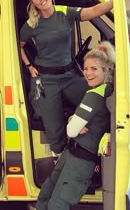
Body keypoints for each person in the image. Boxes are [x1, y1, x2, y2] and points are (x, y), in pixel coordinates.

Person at [19, 0, 113, 155]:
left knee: (98, 98)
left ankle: (84, 134)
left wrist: (116, 2)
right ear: (32, 3)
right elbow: (20, 45)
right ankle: (59, 157)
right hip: (46, 81)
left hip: (70, 76)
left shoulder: (65, 13)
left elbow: (92, 12)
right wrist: (29, 66)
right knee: (54, 129)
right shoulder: (32, 24)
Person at [30, 41, 115, 210]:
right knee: (46, 193)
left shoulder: (94, 96)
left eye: (94, 69)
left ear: (105, 71)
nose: (88, 73)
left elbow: (71, 130)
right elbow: (73, 127)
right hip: (71, 152)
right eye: (86, 69)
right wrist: (73, 120)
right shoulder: (103, 89)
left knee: (57, 204)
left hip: (81, 161)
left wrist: (72, 122)